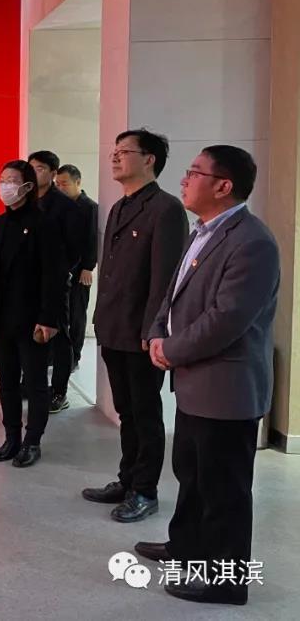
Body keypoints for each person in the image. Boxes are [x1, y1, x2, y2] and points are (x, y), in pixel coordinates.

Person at [136, 145, 278, 607]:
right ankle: (187, 548)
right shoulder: (203, 230)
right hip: (196, 383)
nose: (184, 179)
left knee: (224, 490)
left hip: (226, 389)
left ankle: (225, 581)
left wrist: (171, 349)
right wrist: (157, 334)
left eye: (195, 172)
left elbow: (226, 319)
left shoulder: (252, 241)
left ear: (223, 186)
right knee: (192, 475)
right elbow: (173, 295)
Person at [83, 129, 188, 523]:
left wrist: (154, 330)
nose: (115, 157)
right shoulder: (119, 207)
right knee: (126, 411)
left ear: (149, 160)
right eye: (114, 151)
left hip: (142, 333)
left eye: (124, 151)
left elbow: (166, 280)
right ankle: (126, 480)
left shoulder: (166, 209)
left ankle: (145, 490)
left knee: (145, 413)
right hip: (114, 327)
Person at [0, 161, 66, 467]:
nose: (4, 186)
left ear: (27, 186)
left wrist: (49, 318)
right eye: (1, 180)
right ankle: (11, 437)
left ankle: (32, 440)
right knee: (7, 381)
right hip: (0, 316)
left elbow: (53, 276)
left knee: (35, 382)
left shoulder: (44, 223)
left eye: (11, 180)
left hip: (31, 318)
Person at [28, 150, 83, 413]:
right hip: (27, 283)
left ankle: (59, 391)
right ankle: (30, 383)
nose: (33, 172)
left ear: (52, 173)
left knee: (60, 337)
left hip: (55, 282)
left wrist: (58, 274)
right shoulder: (26, 201)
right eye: (31, 167)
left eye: (39, 168)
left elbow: (74, 249)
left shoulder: (65, 207)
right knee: (29, 335)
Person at [55, 164, 99, 369]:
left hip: (80, 270)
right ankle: (57, 355)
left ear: (77, 182)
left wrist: (88, 267)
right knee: (60, 314)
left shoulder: (89, 207)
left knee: (77, 315)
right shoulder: (59, 206)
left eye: (64, 183)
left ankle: (75, 356)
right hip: (60, 269)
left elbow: (92, 239)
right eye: (57, 184)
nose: (60, 187)